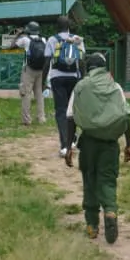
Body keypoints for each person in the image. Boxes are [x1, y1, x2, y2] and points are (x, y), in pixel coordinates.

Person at [63, 52, 130, 244]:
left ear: (88, 69)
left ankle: (92, 225)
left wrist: (68, 146)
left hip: (89, 143)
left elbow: (70, 117)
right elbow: (125, 115)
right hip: (110, 144)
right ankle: (110, 211)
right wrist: (129, 144)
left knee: (89, 180)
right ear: (104, 68)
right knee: (108, 180)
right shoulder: (115, 86)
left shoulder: (81, 87)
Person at [43, 15, 86, 157]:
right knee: (72, 110)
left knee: (61, 111)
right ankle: (72, 140)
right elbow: (82, 61)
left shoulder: (52, 39)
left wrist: (43, 81)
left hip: (57, 77)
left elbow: (47, 61)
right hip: (74, 77)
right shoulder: (77, 39)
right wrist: (83, 79)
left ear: (57, 26)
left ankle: (64, 145)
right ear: (69, 27)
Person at [11, 21, 46, 126]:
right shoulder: (44, 40)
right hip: (41, 70)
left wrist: (18, 34)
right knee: (39, 93)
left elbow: (11, 46)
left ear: (28, 30)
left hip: (28, 69)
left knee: (26, 93)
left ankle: (26, 119)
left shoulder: (25, 40)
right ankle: (41, 118)